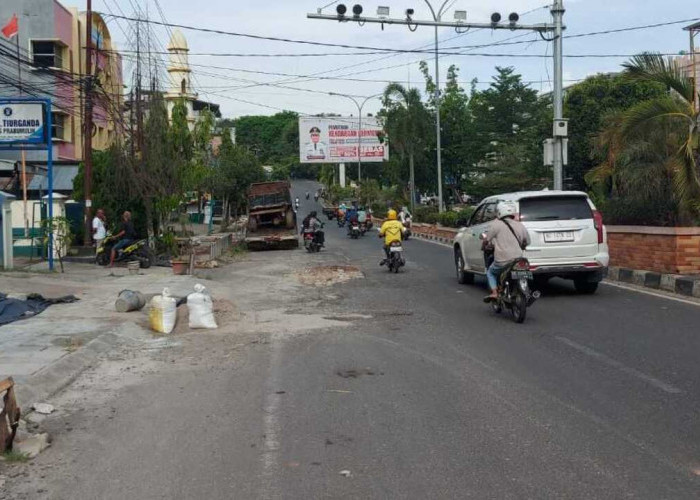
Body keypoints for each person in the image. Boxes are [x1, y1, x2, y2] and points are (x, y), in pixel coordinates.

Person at [482, 201, 531, 302]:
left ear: (499, 212)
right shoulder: (520, 225)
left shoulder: (496, 224)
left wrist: (484, 246)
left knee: (491, 272)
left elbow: (487, 239)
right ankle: (526, 292)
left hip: (502, 261)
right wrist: (522, 246)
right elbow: (527, 241)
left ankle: (495, 293)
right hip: (518, 259)